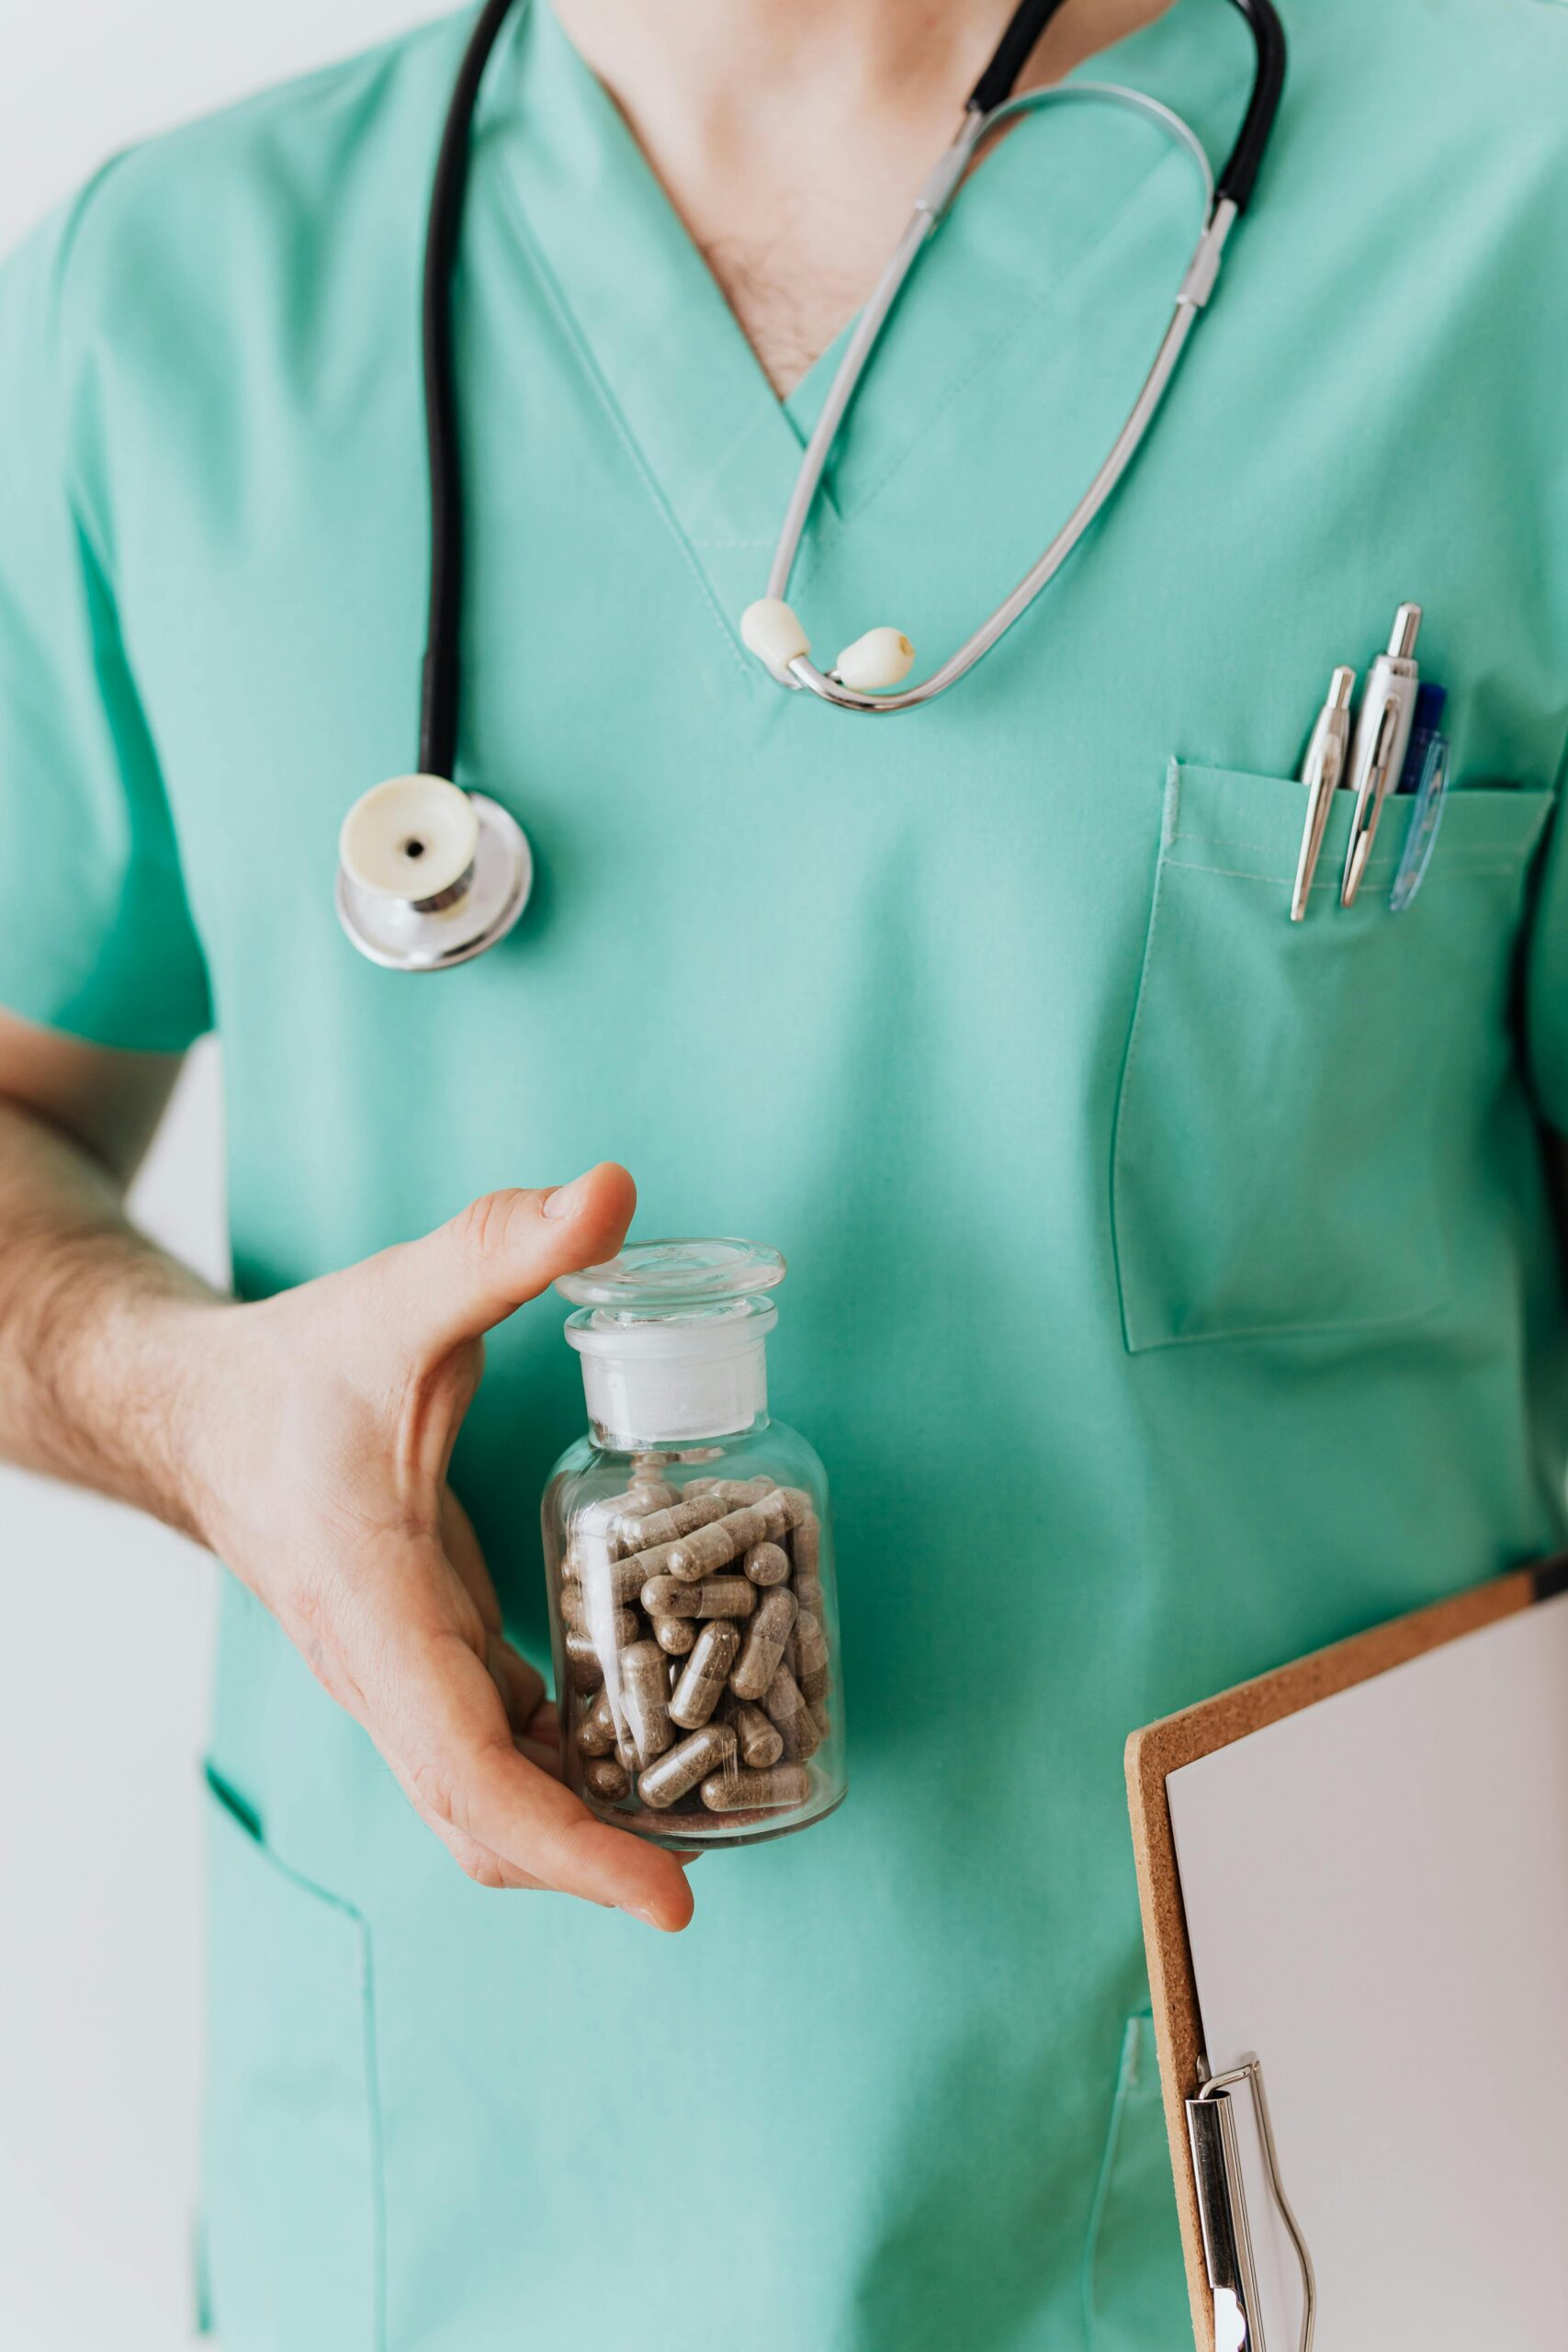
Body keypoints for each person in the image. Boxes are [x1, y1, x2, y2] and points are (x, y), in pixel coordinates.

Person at [1, 0, 1566, 2342]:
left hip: (1303, 2213)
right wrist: (181, 1406)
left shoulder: (1510, 219)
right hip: (447, 2205)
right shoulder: (169, 305)